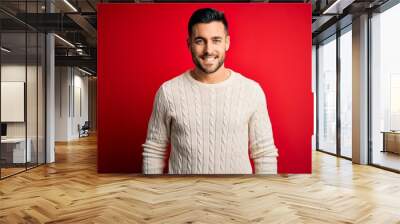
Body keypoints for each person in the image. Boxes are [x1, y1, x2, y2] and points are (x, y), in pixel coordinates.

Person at [142, 8, 278, 174]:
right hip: (182, 197)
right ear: (189, 44)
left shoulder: (251, 91)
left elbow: (264, 153)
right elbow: (154, 150)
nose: (208, 50)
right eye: (200, 41)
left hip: (238, 197)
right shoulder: (168, 92)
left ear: (227, 42)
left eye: (216, 40)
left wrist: (262, 195)